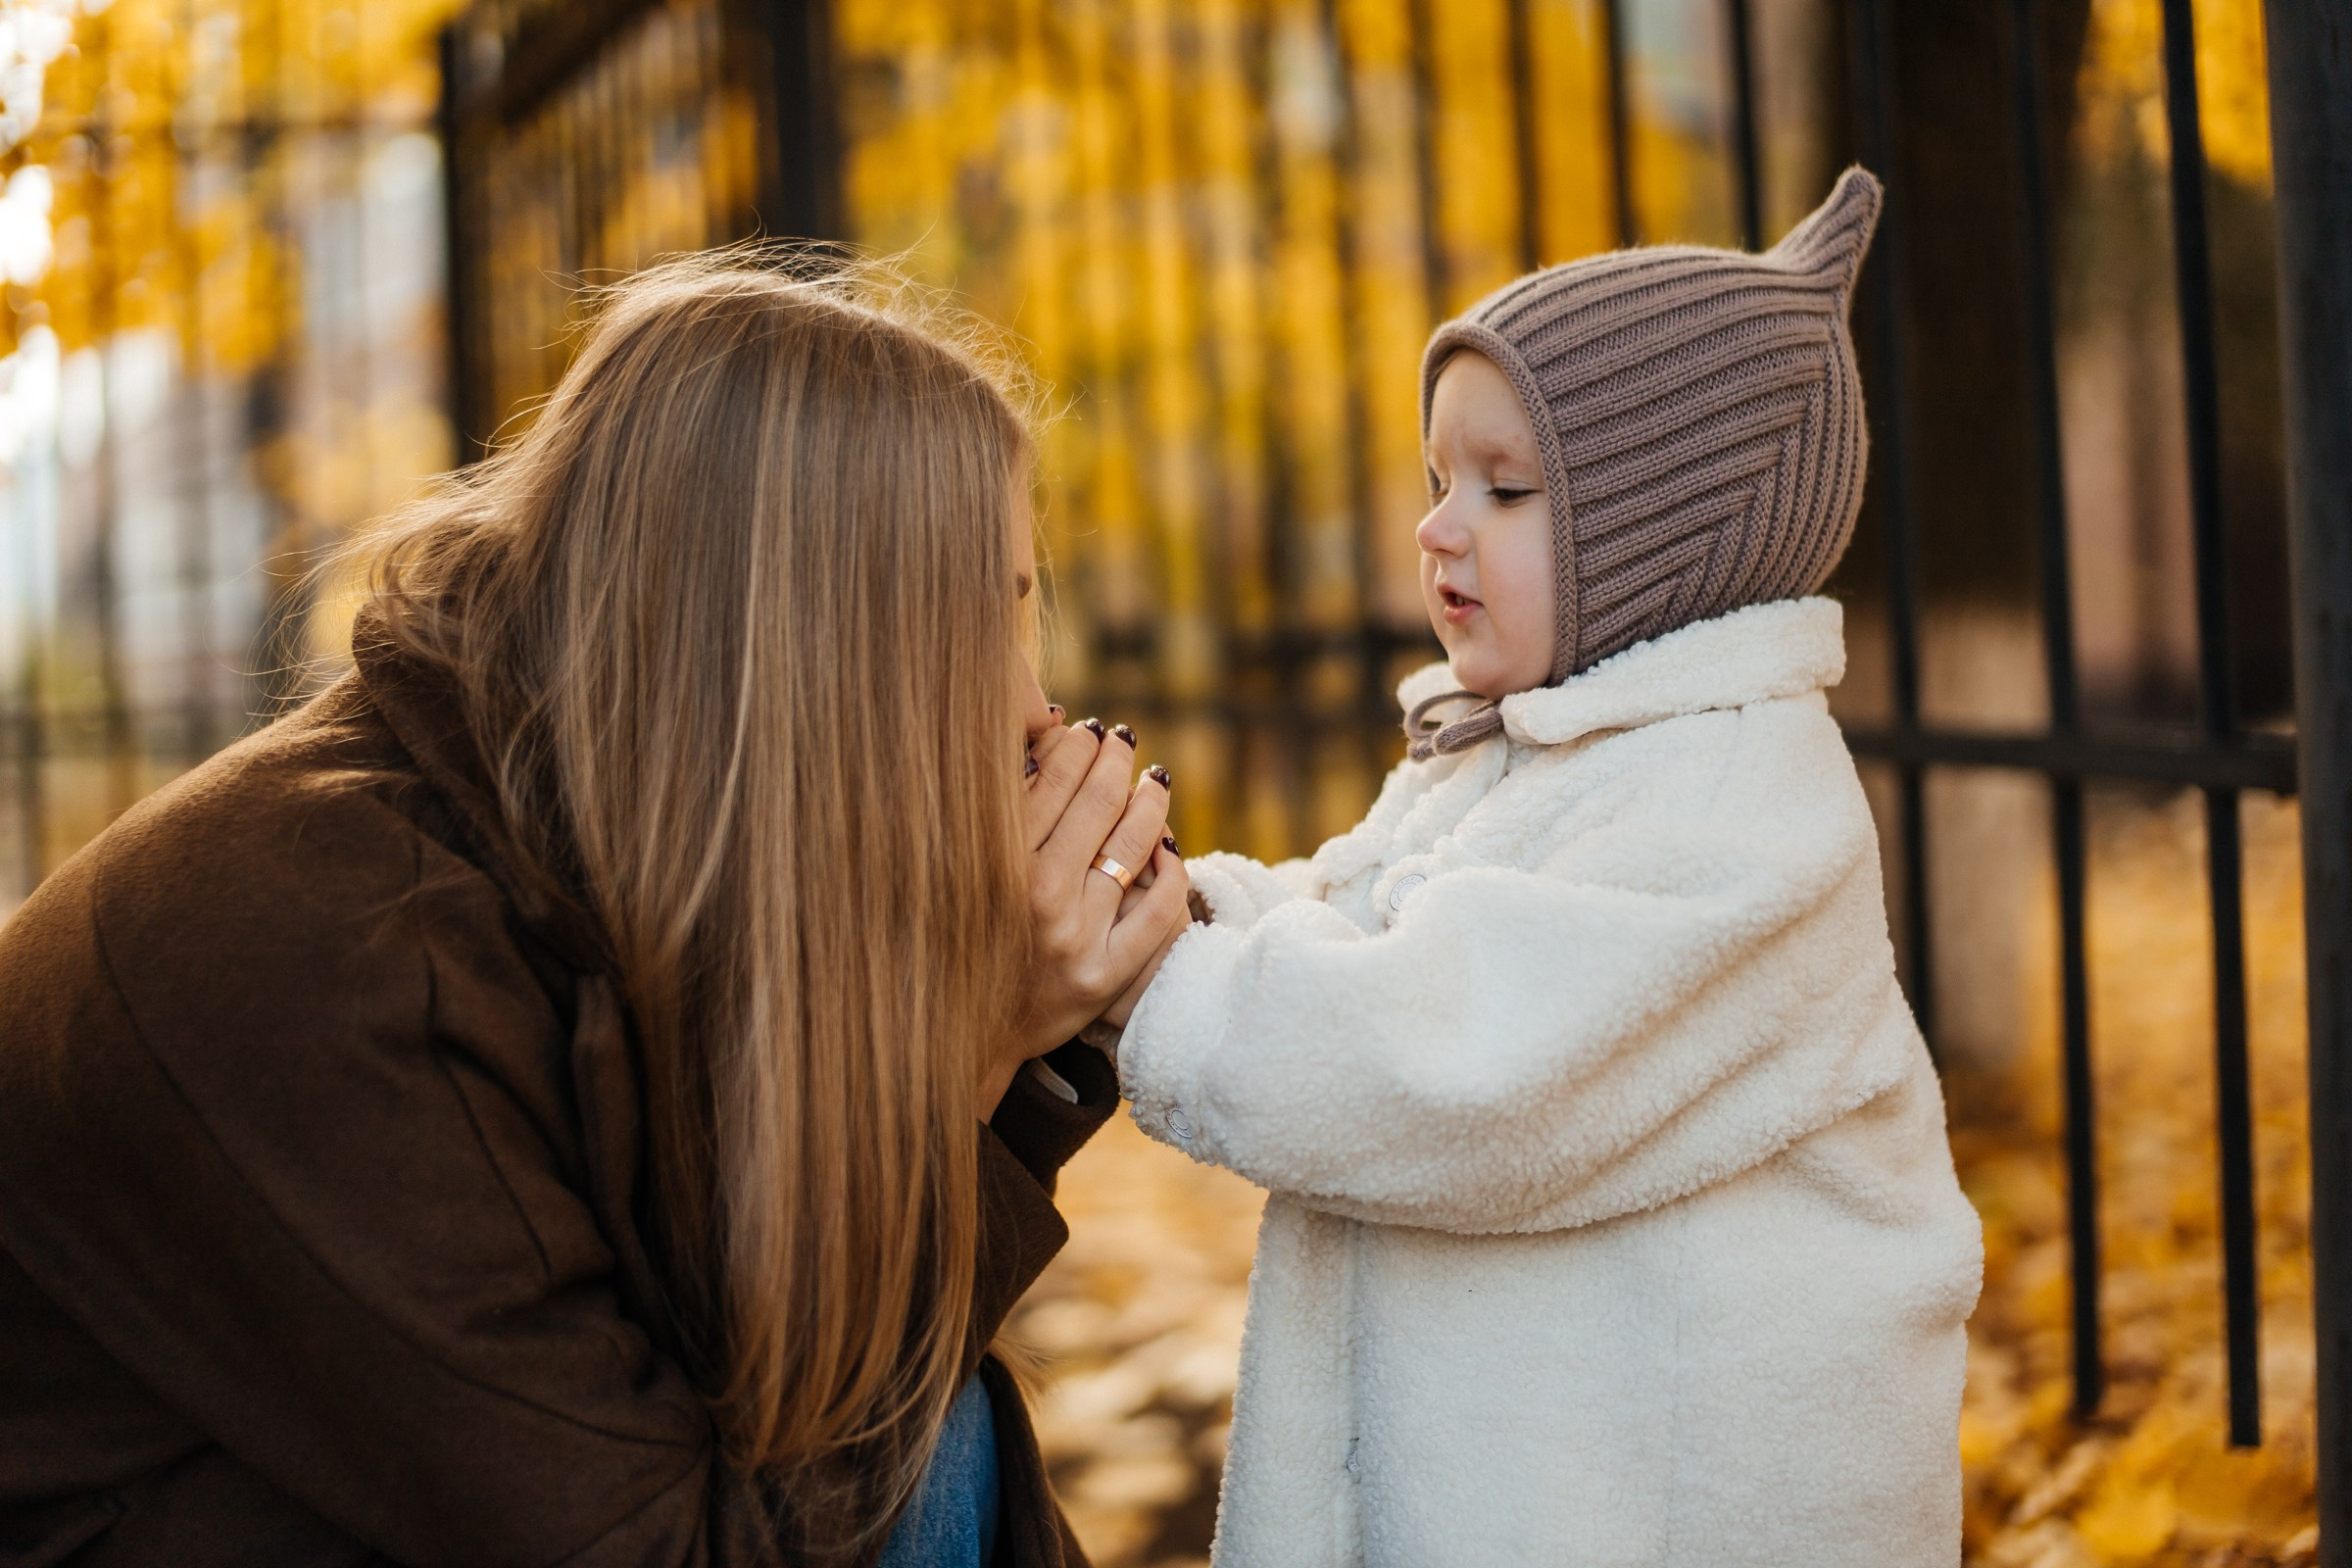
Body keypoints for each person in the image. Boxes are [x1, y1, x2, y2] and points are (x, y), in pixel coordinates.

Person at [0, 256, 1191, 1567]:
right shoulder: (340, 958)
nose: (1035, 712)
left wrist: (1006, 1047)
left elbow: (755, 1326)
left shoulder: (554, 840)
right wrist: (967, 1058)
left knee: (934, 1429)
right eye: (983, 628)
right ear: (804, 656)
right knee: (914, 1444)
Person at [1108, 169, 1984, 1566]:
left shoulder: (1737, 808)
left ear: (1672, 550)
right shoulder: (1536, 749)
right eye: (1438, 479)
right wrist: (1181, 909)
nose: (1439, 525)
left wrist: (1166, 984)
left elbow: (1466, 1067)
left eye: (1505, 490)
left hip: (1664, 1503)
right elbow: (1363, 912)